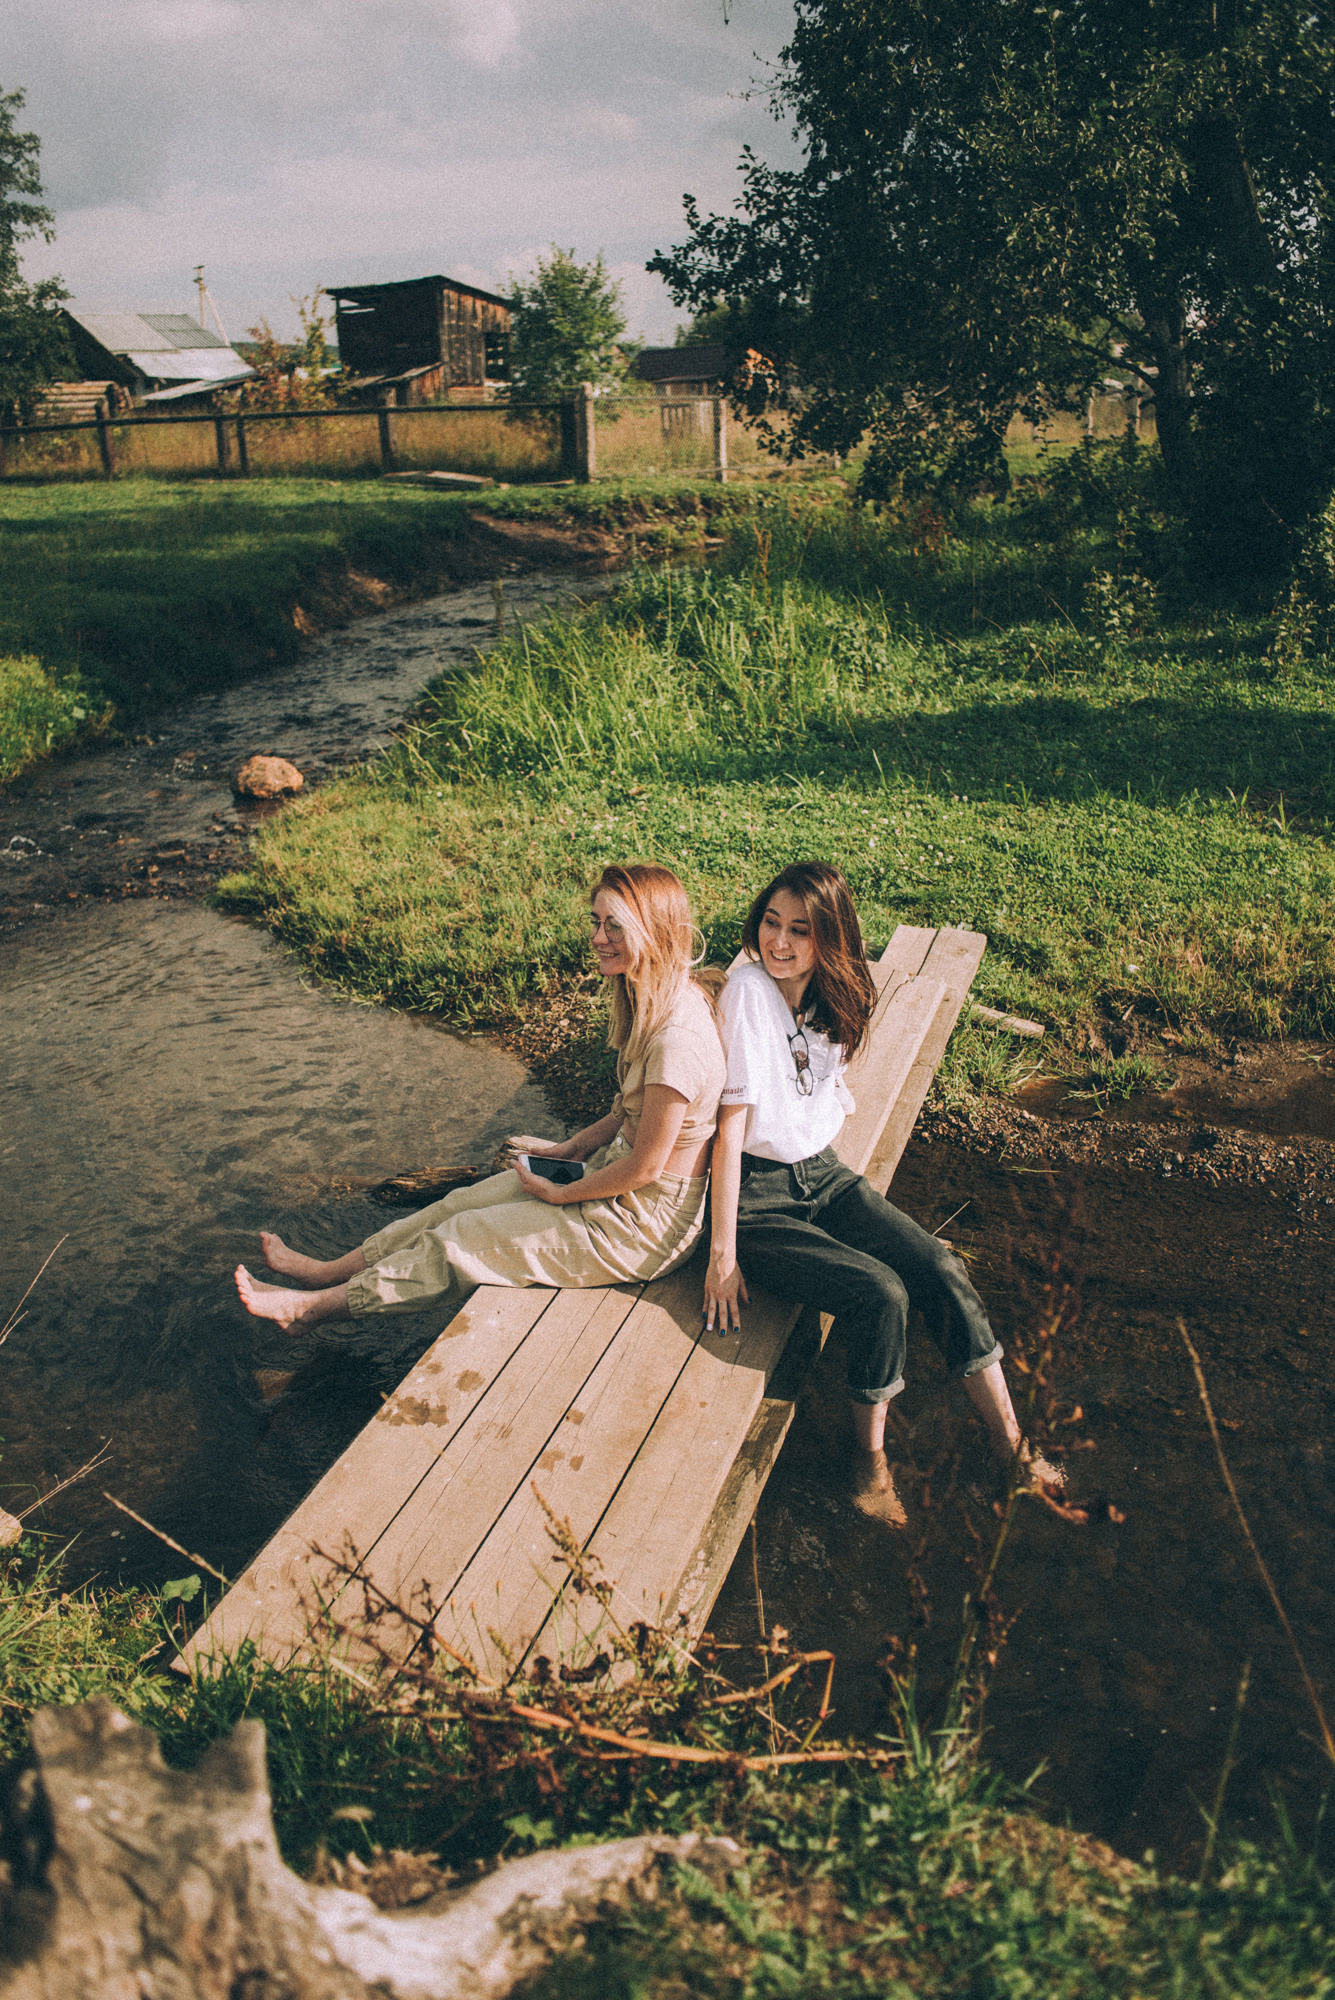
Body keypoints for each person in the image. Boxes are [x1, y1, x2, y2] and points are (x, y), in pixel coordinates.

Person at [702, 860, 1063, 1527]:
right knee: (878, 1292)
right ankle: (867, 1462)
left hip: (825, 1174)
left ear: (829, 937)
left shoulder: (833, 992)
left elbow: (818, 1082)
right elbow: (729, 1131)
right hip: (758, 1200)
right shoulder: (749, 991)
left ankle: (1009, 1444)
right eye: (770, 923)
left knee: (939, 1266)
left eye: (800, 930)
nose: (779, 942)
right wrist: (722, 1256)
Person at [236, 863, 726, 1332]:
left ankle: (311, 1311)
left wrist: (560, 1193)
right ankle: (327, 1272)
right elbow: (629, 1111)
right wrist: (570, 1150)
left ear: (652, 932)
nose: (598, 938)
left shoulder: (677, 1039)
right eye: (596, 922)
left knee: (461, 1241)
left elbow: (645, 1167)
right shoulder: (651, 1000)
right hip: (610, 1178)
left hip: (641, 1226)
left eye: (615, 926)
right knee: (455, 1205)